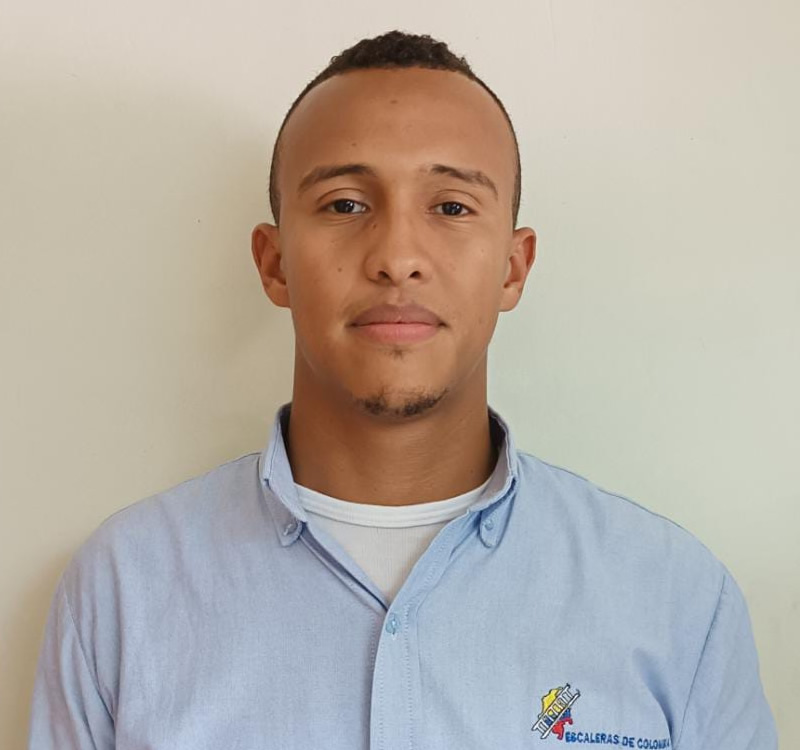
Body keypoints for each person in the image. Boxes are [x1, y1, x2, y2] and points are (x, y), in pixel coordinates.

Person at [28, 30, 777, 750]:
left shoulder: (676, 601)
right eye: (345, 204)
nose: (396, 256)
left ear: (513, 267)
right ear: (275, 263)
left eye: (451, 207)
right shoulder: (122, 593)